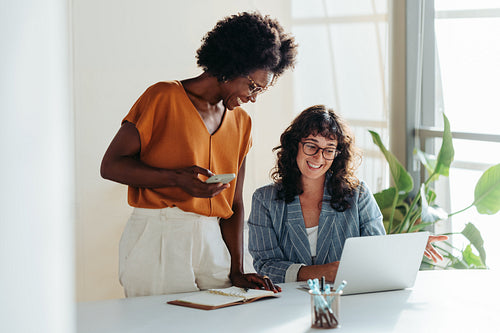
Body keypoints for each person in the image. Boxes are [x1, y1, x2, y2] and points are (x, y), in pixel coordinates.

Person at [100, 12, 298, 297]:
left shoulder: (242, 123)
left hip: (212, 240)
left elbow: (234, 204)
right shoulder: (163, 97)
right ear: (231, 67)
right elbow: (111, 165)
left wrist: (237, 269)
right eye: (253, 86)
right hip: (160, 235)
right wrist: (174, 179)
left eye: (261, 91)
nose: (253, 97)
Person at [248, 105, 447, 283]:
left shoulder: (358, 195)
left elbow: (374, 253)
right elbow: (266, 266)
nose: (319, 156)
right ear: (295, 146)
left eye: (329, 150)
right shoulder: (265, 200)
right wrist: (320, 272)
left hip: (348, 301)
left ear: (338, 154)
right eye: (311, 146)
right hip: (286, 306)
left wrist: (407, 246)